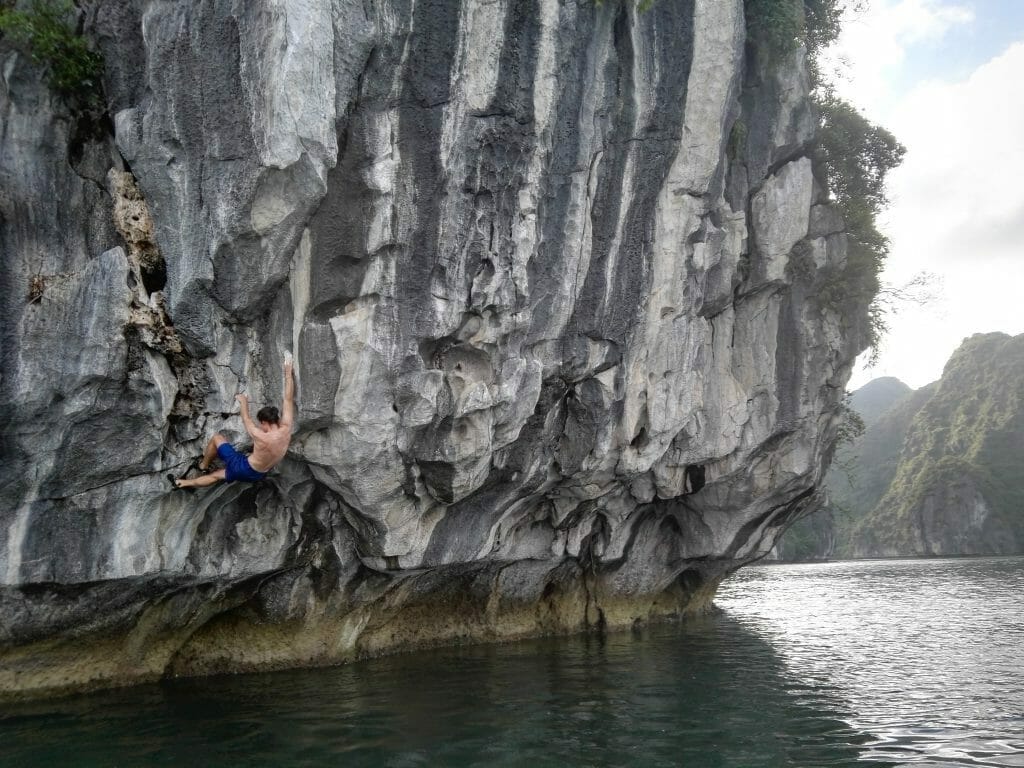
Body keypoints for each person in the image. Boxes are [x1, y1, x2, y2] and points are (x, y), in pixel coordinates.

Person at [171, 358, 295, 489]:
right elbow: (288, 400)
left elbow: (246, 419)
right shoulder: (286, 429)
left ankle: (201, 467)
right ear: (276, 419)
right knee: (219, 475)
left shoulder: (260, 436)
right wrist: (288, 373)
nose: (260, 426)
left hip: (243, 467)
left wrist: (243, 401)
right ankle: (187, 482)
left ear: (265, 422)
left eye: (261, 424)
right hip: (259, 474)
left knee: (217, 439)